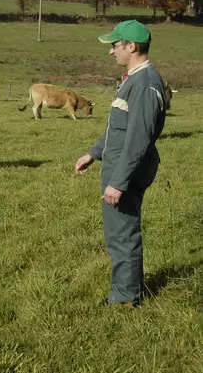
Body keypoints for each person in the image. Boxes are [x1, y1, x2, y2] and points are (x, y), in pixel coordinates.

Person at [75, 20, 167, 308]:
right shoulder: (133, 79)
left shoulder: (145, 84)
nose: (111, 52)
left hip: (125, 171)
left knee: (122, 233)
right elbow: (119, 128)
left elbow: (138, 139)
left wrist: (118, 182)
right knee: (120, 232)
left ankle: (126, 298)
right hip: (117, 166)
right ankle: (128, 290)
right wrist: (93, 153)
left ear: (131, 46)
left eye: (114, 46)